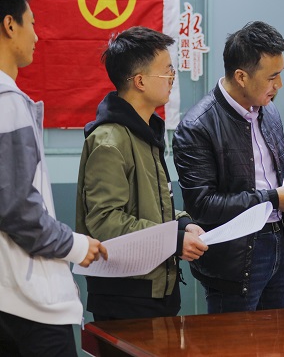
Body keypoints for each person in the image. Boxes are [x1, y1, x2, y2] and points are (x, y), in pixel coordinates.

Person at [173, 21, 284, 313]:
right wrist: (273, 199)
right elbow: (202, 205)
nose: (279, 85)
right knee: (235, 338)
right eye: (272, 77)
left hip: (278, 243)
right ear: (241, 77)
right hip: (233, 260)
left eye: (281, 74)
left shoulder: (268, 110)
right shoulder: (197, 126)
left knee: (280, 337)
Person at [0, 0, 106, 356]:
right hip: (26, 304)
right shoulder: (7, 101)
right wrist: (75, 245)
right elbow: (17, 209)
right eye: (31, 23)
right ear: (9, 25)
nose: (37, 36)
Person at [76, 26, 208, 321]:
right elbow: (104, 220)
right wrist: (173, 240)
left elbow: (150, 207)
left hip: (157, 287)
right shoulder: (110, 141)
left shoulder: (145, 132)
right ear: (140, 81)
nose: (172, 77)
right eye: (167, 70)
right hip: (126, 296)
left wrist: (183, 223)